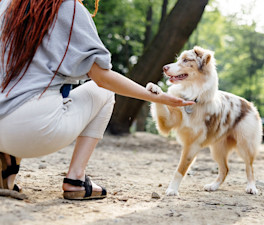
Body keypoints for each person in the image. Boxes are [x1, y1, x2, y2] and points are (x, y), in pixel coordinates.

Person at [0, 0, 193, 200]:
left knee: (17, 88)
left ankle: (8, 173)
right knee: (104, 92)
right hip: (33, 130)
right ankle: (76, 179)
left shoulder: (7, 5)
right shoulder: (68, 8)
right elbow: (103, 79)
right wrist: (160, 98)